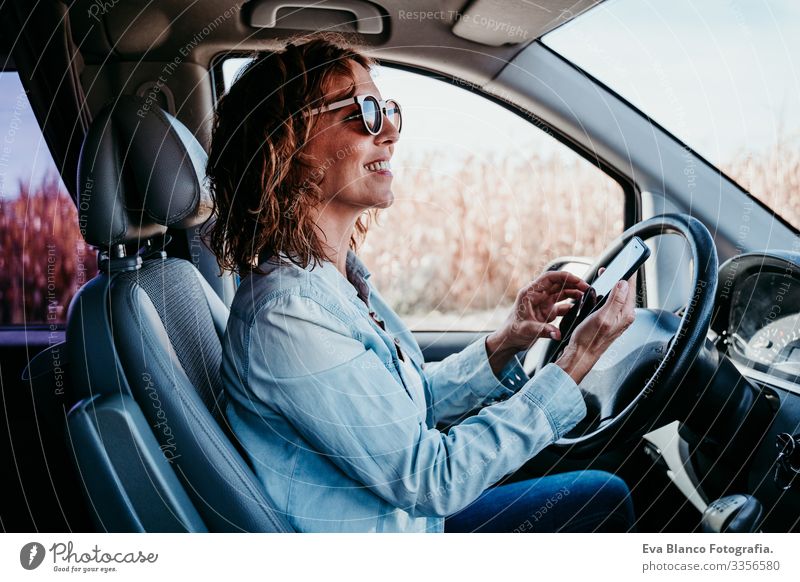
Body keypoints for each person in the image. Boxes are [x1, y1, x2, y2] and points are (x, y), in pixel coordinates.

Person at [206, 34, 637, 533]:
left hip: (413, 525)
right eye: (363, 111)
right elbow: (432, 480)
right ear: (288, 143)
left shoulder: (333, 280)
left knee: (602, 493)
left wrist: (505, 342)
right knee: (606, 499)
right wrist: (576, 362)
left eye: (387, 108)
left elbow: (409, 411)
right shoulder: (288, 315)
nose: (390, 130)